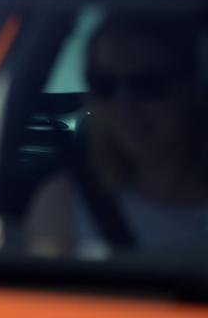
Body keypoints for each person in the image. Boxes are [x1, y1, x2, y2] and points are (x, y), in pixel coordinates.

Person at [26, 16, 208, 257]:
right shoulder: (64, 205)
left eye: (148, 84)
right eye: (104, 85)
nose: (124, 105)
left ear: (192, 88)